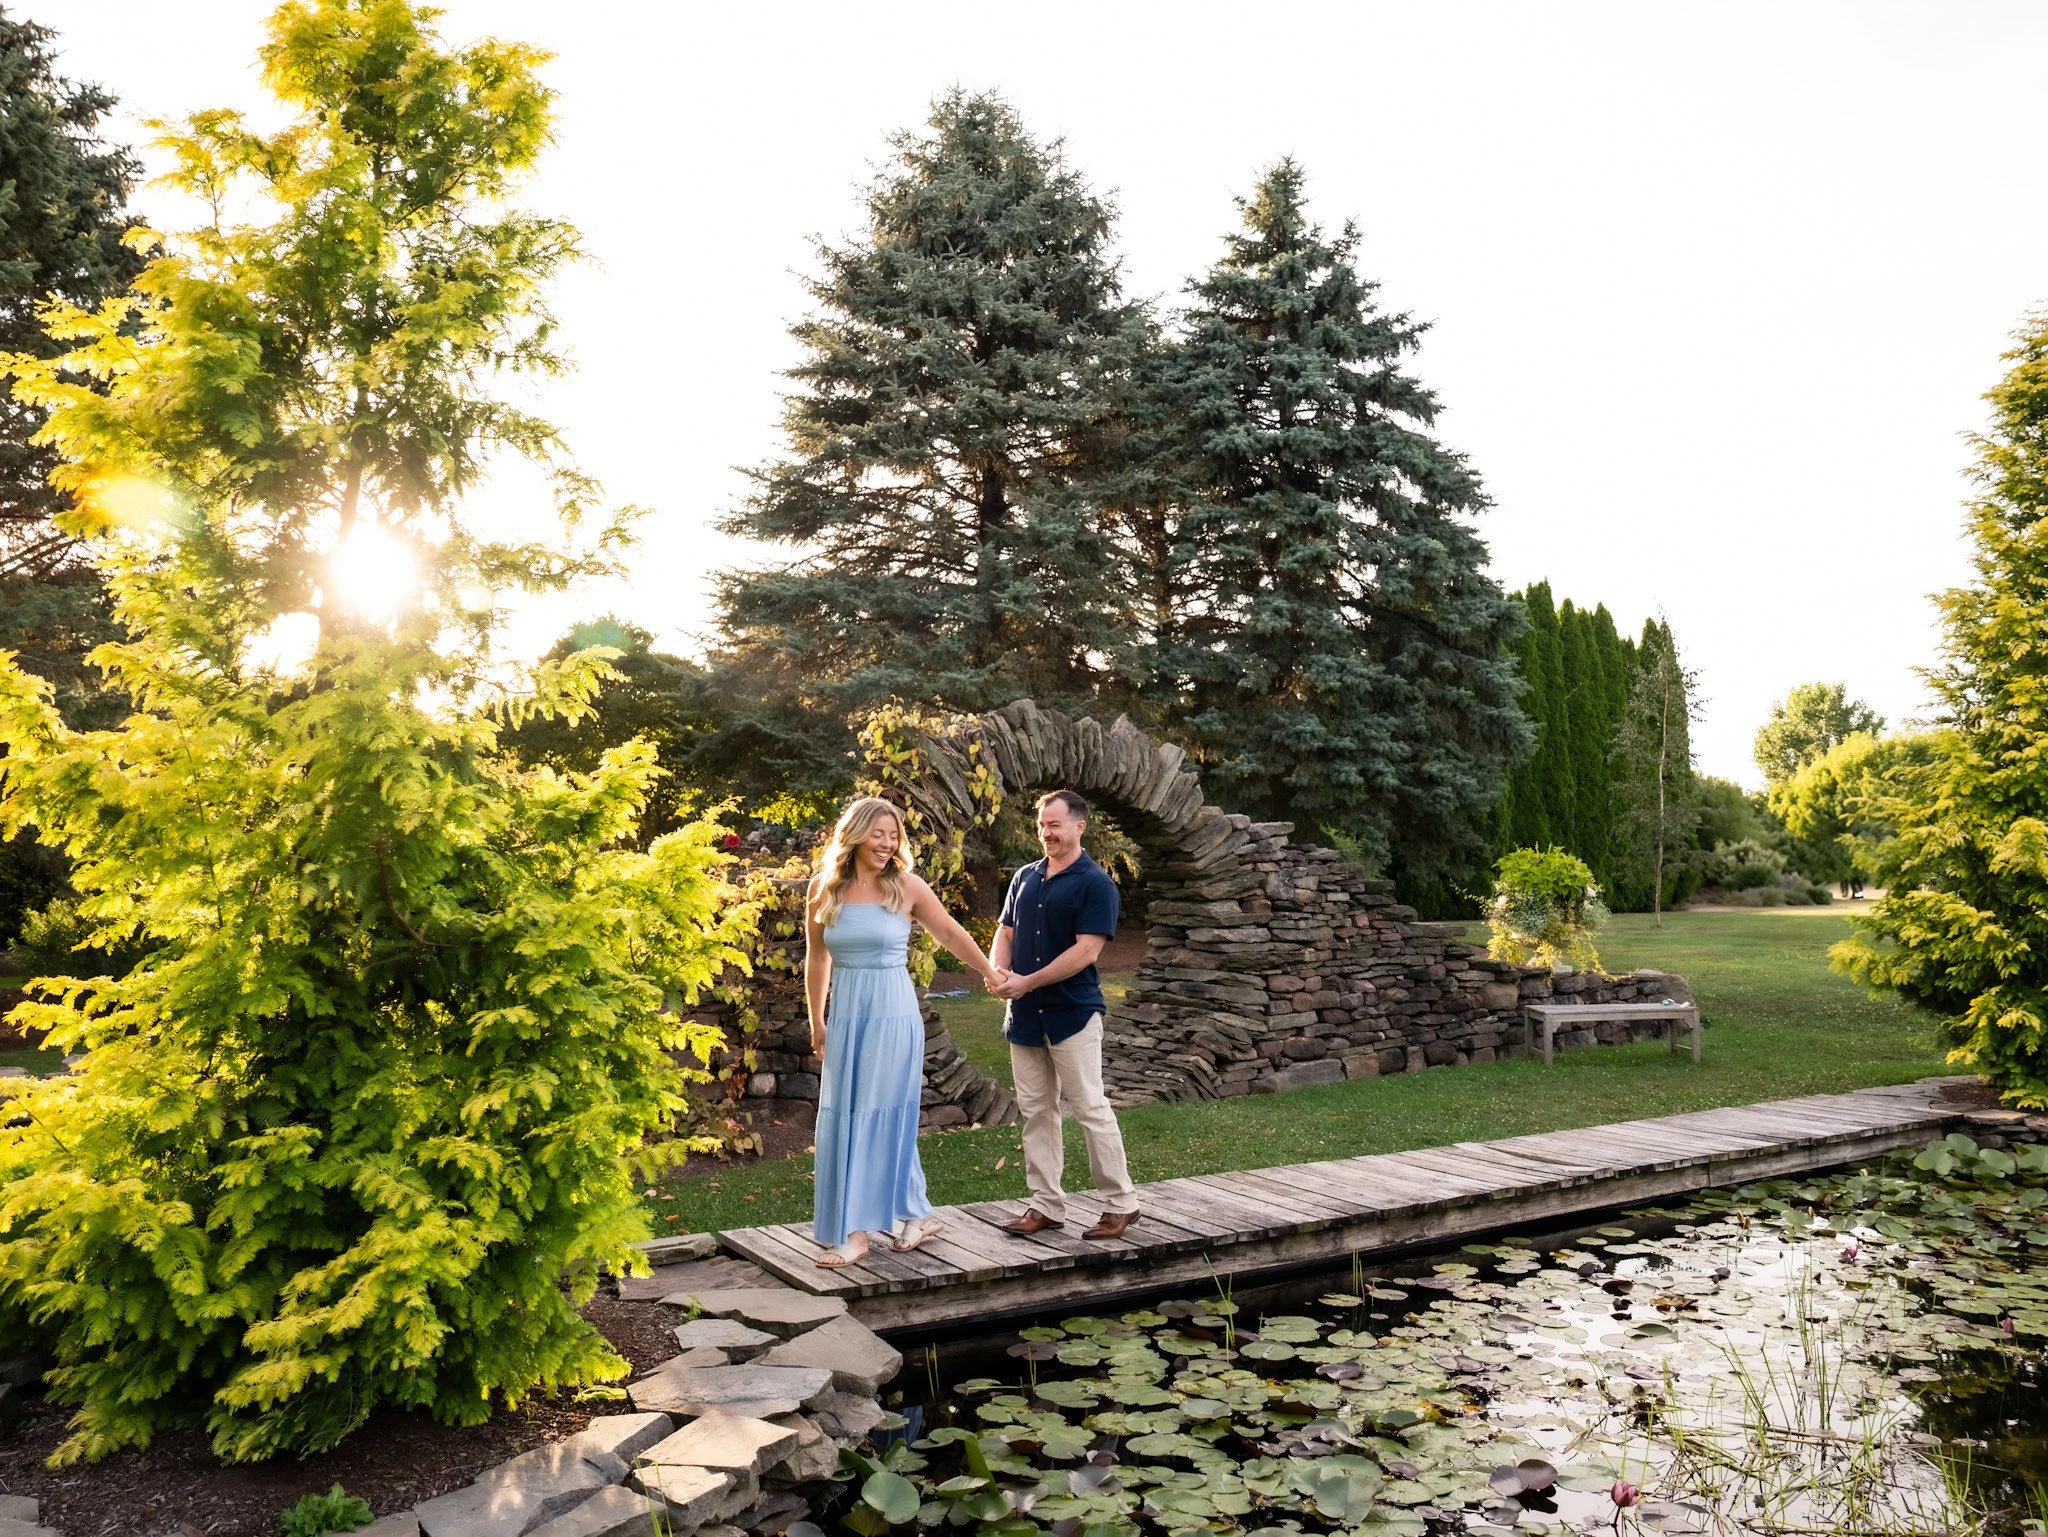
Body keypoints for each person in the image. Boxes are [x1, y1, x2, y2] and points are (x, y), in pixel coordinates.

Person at [805, 796, 1005, 1267]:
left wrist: (990, 972)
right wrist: (818, 1022)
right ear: (854, 834)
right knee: (846, 1113)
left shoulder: (906, 887)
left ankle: (856, 1234)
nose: (887, 843)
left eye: (894, 835)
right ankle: (914, 1213)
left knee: (880, 1112)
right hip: (848, 1014)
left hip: (894, 1014)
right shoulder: (824, 889)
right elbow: (817, 958)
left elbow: (951, 934)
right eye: (878, 834)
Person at [990, 789, 1141, 1240]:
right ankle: (1046, 1206)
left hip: (1072, 1014)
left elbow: (1086, 950)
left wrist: (1028, 981)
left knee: (1090, 1108)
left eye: (1054, 824)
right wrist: (997, 970)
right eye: (1041, 824)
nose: (1046, 832)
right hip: (1025, 1016)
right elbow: (1005, 930)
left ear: (1079, 826)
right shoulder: (1024, 877)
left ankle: (1121, 1205)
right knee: (1036, 1112)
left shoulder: (1097, 883)